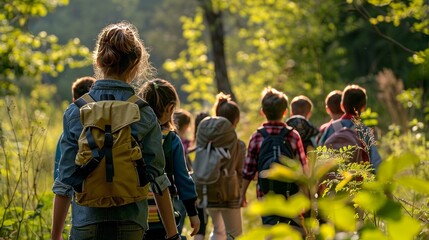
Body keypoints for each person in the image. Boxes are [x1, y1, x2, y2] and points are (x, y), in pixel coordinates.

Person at [51, 22, 179, 240]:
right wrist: (172, 234)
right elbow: (158, 179)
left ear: (99, 60)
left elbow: (64, 180)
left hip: (85, 222)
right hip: (130, 222)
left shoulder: (76, 111)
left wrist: (55, 236)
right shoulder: (144, 112)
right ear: (136, 63)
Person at [138, 79, 200, 239]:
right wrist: (193, 213)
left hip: (134, 214)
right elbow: (182, 178)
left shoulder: (132, 135)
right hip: (163, 217)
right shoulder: (170, 139)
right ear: (170, 108)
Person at [241, 87, 307, 226]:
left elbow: (248, 171)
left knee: (270, 230)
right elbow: (303, 168)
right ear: (285, 112)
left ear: (262, 112)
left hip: (266, 197)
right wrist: (307, 197)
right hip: (291, 196)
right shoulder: (293, 136)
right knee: (292, 232)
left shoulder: (257, 136)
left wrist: (242, 194)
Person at [318, 84, 382, 173]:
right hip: (359, 181)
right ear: (363, 107)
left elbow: (319, 154)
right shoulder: (364, 131)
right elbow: (376, 162)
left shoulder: (331, 127)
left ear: (342, 106)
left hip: (334, 182)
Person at [54, 76, 95, 180]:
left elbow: (60, 166)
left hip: (75, 187)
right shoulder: (106, 125)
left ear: (74, 100)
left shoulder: (66, 134)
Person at [188, 112, 211, 240]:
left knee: (200, 229)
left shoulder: (193, 150)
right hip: (213, 191)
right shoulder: (215, 150)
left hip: (197, 193)